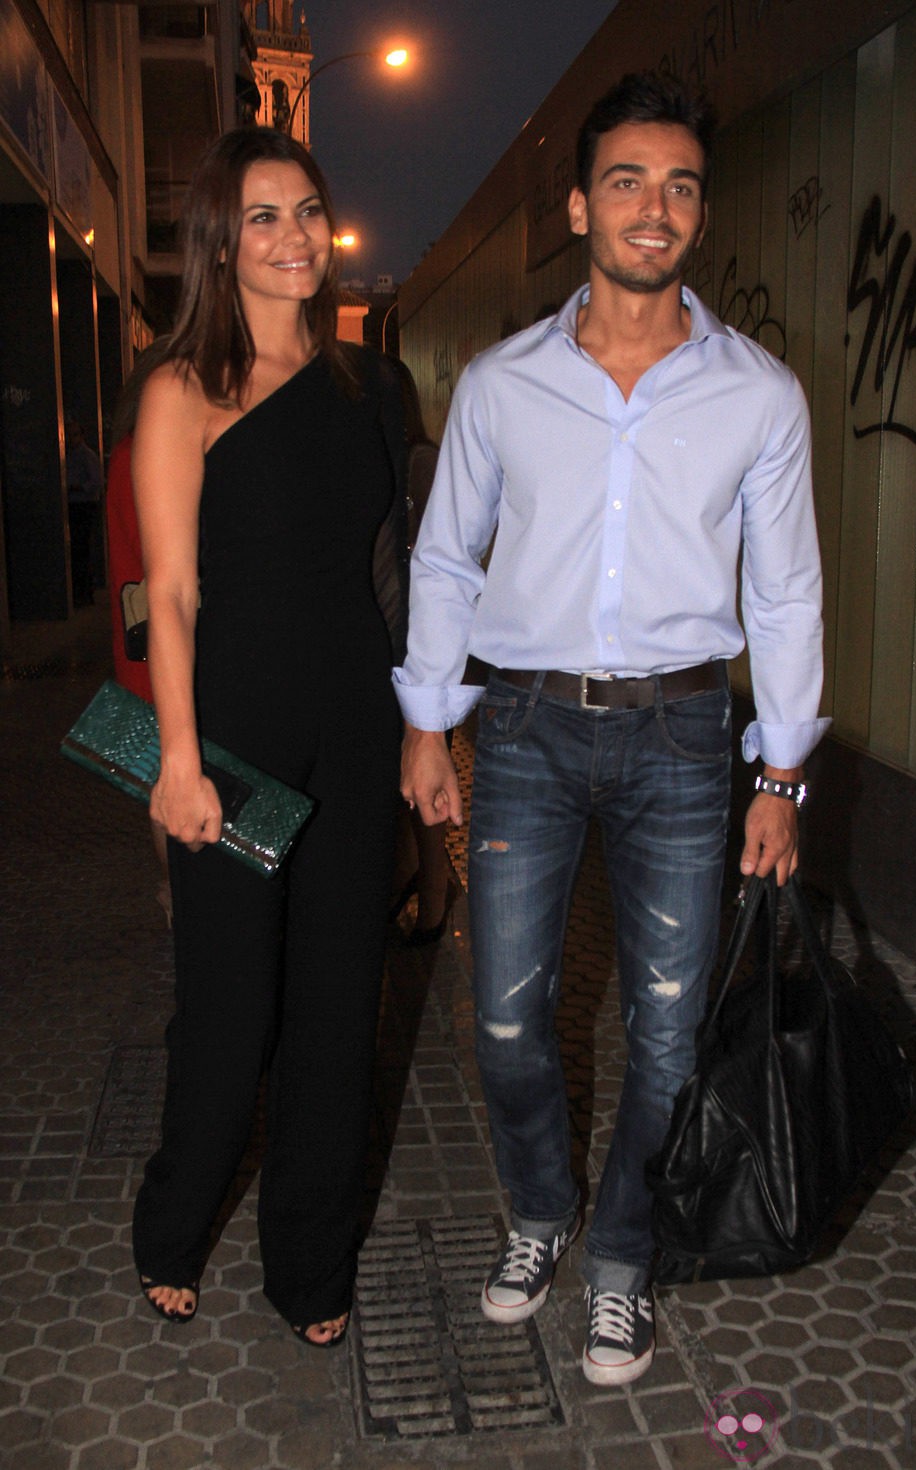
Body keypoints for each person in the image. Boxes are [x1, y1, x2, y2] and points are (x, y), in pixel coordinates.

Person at [396, 71, 830, 1387]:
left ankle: (625, 1259)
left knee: (665, 1021)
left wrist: (785, 775)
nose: (656, 207)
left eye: (681, 184)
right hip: (523, 728)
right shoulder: (500, 384)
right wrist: (430, 723)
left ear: (700, 213)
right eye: (629, 181)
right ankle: (542, 1211)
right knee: (510, 1018)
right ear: (580, 204)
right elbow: (444, 561)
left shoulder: (759, 395)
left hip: (686, 739)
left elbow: (787, 586)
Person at [130, 126, 406, 1347]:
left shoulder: (371, 386)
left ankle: (310, 1264)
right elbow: (169, 594)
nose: (295, 237)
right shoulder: (183, 387)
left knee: (340, 1008)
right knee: (235, 1010)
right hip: (235, 752)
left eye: (308, 211)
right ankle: (172, 1226)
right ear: (219, 241)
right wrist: (176, 761)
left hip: (352, 732)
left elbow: (394, 577)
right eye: (263, 217)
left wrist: (422, 736)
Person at [385, 355, 459, 945]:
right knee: (403, 777)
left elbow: (442, 559)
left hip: (424, 648)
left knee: (426, 777)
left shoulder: (422, 461)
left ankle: (435, 893)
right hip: (391, 640)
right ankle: (422, 879)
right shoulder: (385, 459)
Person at [105, 337, 175, 921]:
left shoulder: (124, 452)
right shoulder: (144, 452)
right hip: (157, 641)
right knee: (167, 782)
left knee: (161, 782)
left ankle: (177, 892)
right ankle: (180, 894)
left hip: (139, 645)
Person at [66, 417, 104, 605]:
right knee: (76, 551)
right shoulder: (68, 456)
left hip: (84, 506)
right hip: (73, 506)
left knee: (83, 549)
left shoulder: (87, 456)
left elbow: (96, 483)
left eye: (74, 435)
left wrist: (78, 487)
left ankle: (86, 593)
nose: (71, 439)